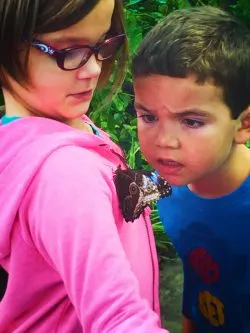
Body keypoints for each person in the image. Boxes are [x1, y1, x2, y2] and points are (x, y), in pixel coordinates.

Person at [0, 0, 170, 332]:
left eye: (102, 43)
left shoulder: (44, 126)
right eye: (69, 50)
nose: (93, 69)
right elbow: (120, 320)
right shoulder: (64, 171)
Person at [132, 5, 250, 333]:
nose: (165, 141)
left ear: (244, 125)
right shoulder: (167, 185)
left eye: (192, 121)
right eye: (149, 117)